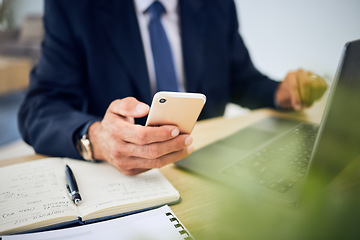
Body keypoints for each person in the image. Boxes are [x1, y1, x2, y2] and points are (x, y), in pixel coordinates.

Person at [18, 0, 327, 175]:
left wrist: (279, 93)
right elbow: (40, 108)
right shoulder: (73, 7)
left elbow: (241, 80)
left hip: (207, 167)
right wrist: (97, 137)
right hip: (124, 179)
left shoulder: (217, 5)